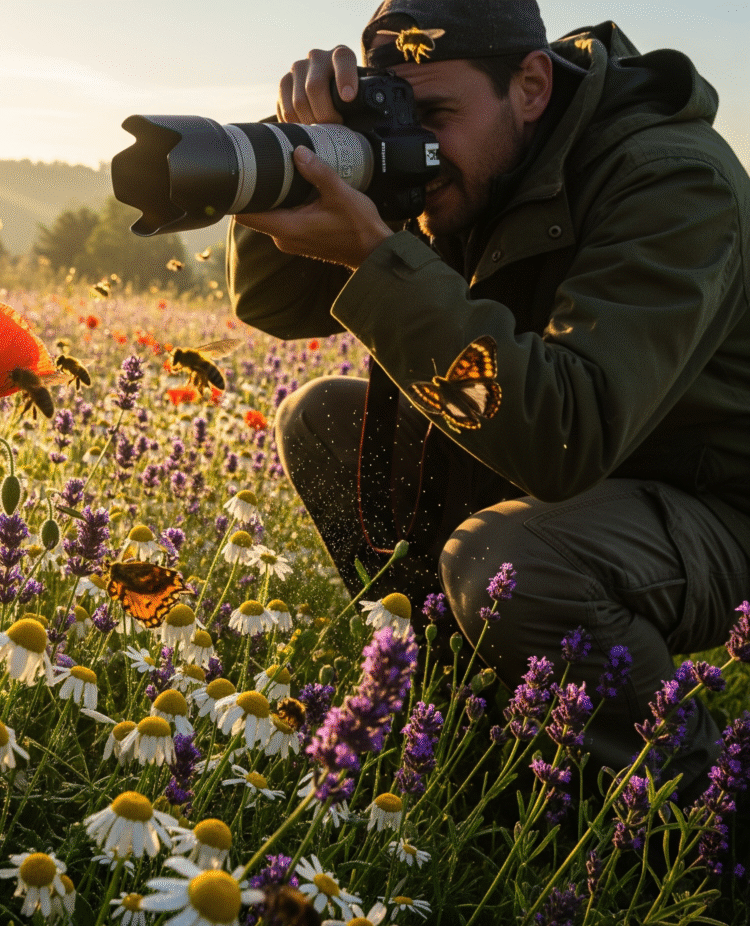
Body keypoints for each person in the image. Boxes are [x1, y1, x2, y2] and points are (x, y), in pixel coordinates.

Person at [226, 0, 750, 810]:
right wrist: (305, 149)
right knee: (319, 421)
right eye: (399, 116)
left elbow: (567, 437)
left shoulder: (672, 179)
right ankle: (461, 721)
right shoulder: (470, 163)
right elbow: (272, 304)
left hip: (707, 502)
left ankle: (708, 826)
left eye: (436, 114)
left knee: (510, 559)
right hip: (570, 478)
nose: (421, 149)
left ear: (532, 85)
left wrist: (379, 256)